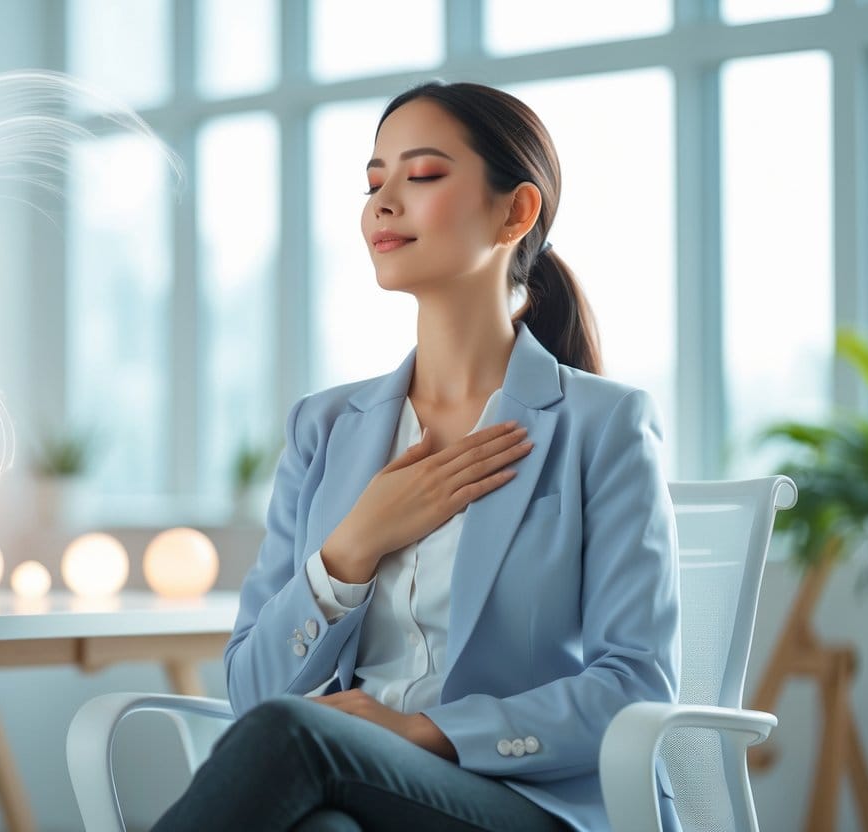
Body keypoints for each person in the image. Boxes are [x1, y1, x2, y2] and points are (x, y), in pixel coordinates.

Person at [152, 81, 681, 832]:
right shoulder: (326, 426)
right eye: (373, 181)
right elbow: (250, 686)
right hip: (359, 794)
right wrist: (351, 547)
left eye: (422, 175)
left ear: (515, 211)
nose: (382, 203)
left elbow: (634, 686)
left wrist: (422, 733)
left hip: (530, 800)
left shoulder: (604, 424)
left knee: (292, 735)